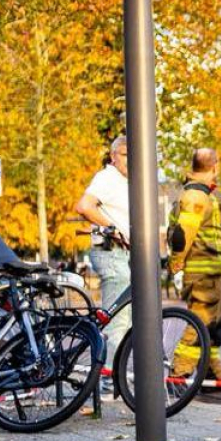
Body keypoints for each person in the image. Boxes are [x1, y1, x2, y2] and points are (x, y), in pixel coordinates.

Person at [166, 148, 221, 384]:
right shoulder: (196, 196)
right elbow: (184, 234)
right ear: (215, 166)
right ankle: (179, 373)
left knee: (213, 322)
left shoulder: (198, 194)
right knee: (199, 322)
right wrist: (177, 264)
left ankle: (213, 372)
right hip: (203, 272)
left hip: (210, 270)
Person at [74, 137, 133, 349]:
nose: (130, 159)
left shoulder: (126, 180)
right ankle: (108, 380)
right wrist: (114, 229)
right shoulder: (108, 177)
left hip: (123, 255)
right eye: (125, 154)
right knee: (117, 323)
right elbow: (84, 206)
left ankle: (119, 377)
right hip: (112, 252)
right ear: (113, 156)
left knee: (128, 322)